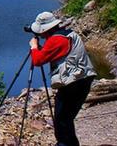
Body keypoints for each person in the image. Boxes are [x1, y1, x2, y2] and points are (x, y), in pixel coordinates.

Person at [28, 11, 97, 146]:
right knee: (66, 117)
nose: (40, 34)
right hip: (83, 78)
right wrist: (41, 47)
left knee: (62, 119)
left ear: (45, 29)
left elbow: (37, 60)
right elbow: (58, 53)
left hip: (73, 82)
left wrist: (34, 47)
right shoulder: (68, 34)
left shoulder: (56, 40)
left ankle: (64, 143)